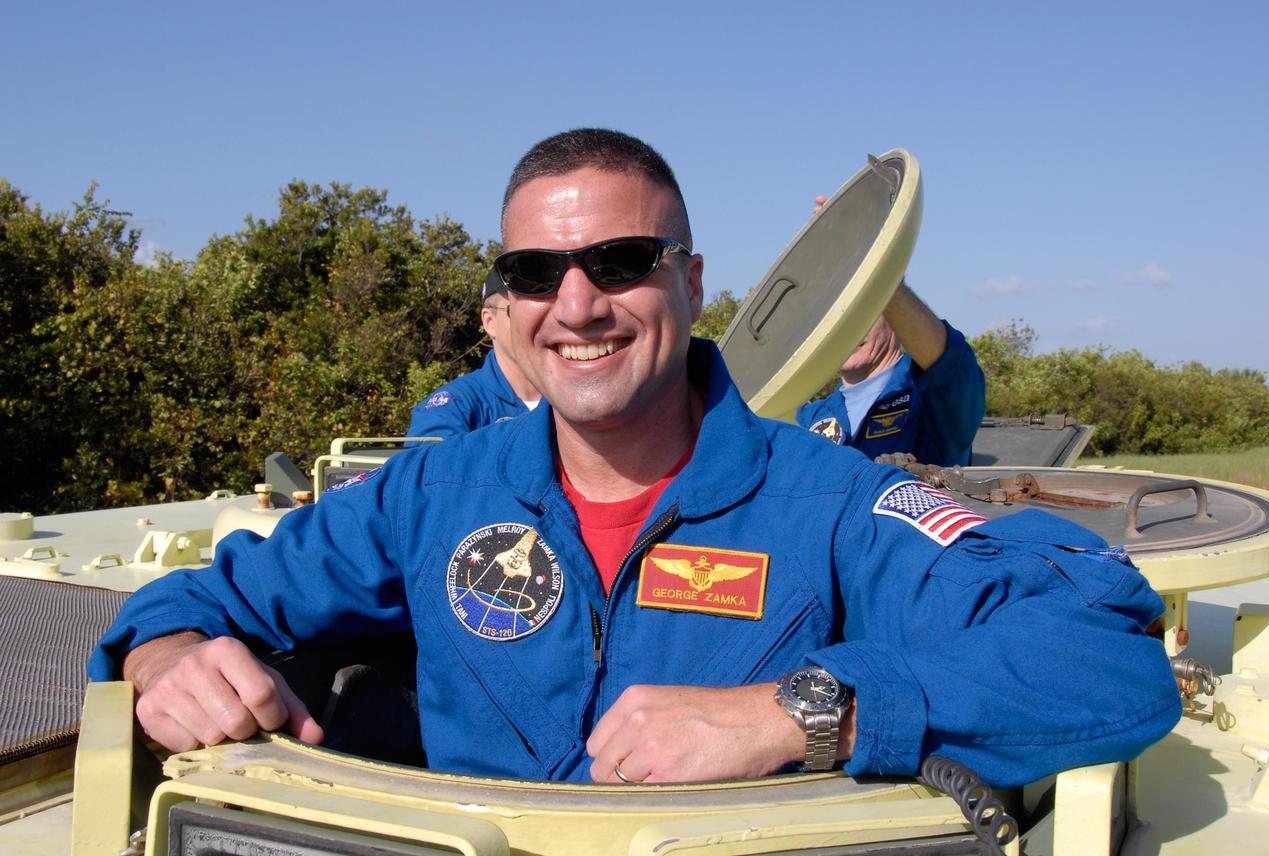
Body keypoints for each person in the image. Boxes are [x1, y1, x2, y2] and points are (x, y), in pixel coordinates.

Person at [90, 129, 1178, 789]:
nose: (575, 305)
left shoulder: (831, 502)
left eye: (618, 261)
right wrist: (166, 656)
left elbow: (1104, 653)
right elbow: (188, 601)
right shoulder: (431, 492)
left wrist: (797, 713)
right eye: (534, 272)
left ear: (692, 284)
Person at [796, 198, 985, 466]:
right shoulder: (808, 418)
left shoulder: (931, 400)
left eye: (863, 308)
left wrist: (877, 265)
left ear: (894, 316)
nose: (848, 325)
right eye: (836, 313)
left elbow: (951, 366)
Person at [406, 268, 541, 438]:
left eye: (538, 309)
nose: (530, 321)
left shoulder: (568, 397)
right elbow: (426, 453)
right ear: (489, 322)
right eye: (515, 311)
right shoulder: (456, 405)